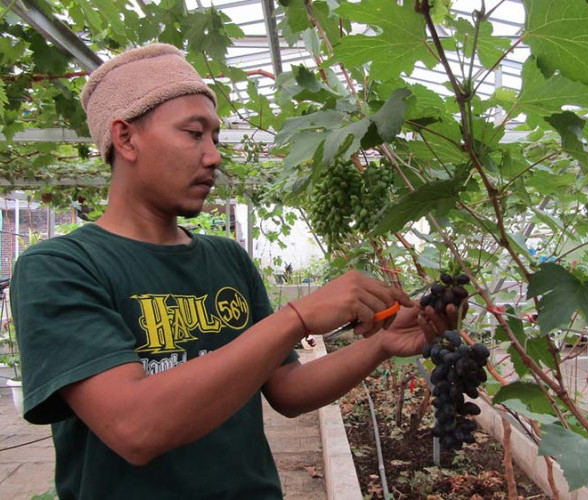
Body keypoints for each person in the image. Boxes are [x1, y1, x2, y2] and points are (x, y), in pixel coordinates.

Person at [10, 43, 450, 499]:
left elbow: (287, 389)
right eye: (193, 133)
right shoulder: (60, 268)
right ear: (125, 138)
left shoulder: (227, 258)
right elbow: (134, 427)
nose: (214, 156)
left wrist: (381, 344)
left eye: (215, 138)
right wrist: (296, 317)